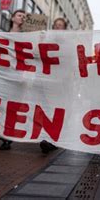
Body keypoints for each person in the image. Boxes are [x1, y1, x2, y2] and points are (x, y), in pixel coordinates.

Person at [0, 10, 26, 150]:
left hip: (15, 76)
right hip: (1, 74)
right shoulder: (1, 33)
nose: (22, 18)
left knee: (10, 107)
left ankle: (7, 137)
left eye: (24, 16)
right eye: (19, 15)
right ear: (13, 18)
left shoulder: (25, 37)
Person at [39, 17, 68, 154]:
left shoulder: (68, 43)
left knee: (57, 111)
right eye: (56, 25)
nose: (57, 27)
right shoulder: (46, 40)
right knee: (47, 109)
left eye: (60, 25)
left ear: (64, 28)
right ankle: (47, 138)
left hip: (61, 82)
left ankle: (54, 139)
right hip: (46, 81)